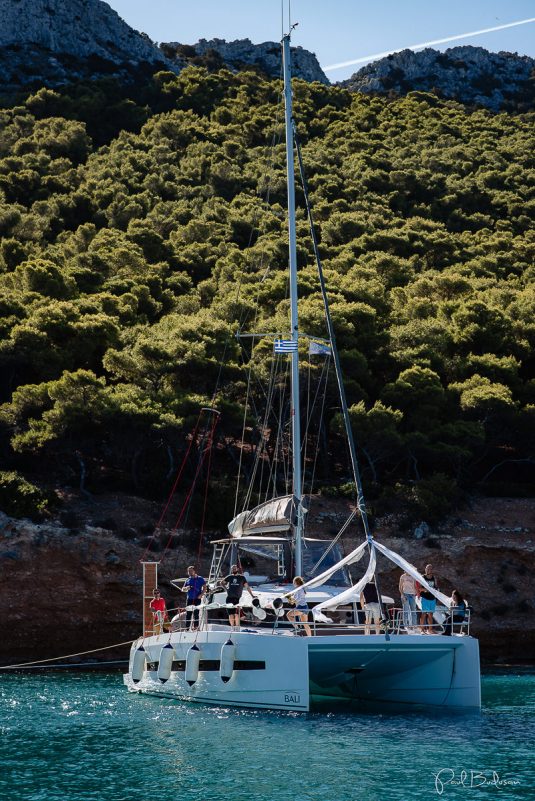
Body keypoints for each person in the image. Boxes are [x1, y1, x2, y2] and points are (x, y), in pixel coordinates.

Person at [222, 564, 255, 629]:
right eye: (233, 569)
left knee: (237, 614)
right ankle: (232, 628)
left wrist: (252, 595)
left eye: (235, 568)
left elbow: (247, 587)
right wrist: (226, 589)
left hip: (237, 599)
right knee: (231, 614)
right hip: (229, 598)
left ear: (237, 569)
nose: (234, 569)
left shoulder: (242, 577)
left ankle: (237, 628)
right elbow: (221, 582)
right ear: (231, 570)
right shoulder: (229, 577)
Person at [417, 564, 439, 634]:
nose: (427, 570)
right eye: (427, 569)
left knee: (430, 615)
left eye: (429, 569)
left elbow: (436, 588)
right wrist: (426, 589)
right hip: (425, 598)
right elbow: (419, 588)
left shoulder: (434, 578)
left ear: (432, 570)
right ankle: (422, 629)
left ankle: (430, 629)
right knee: (423, 614)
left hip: (432, 599)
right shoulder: (422, 577)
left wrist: (435, 590)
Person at [182, 565, 206, 630]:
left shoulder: (200, 578)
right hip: (189, 599)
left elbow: (204, 587)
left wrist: (201, 595)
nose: (189, 572)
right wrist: (186, 588)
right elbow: (182, 589)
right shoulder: (187, 580)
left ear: (194, 571)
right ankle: (187, 628)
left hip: (197, 599)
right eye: (188, 571)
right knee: (188, 614)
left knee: (196, 613)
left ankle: (196, 627)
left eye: (191, 571)